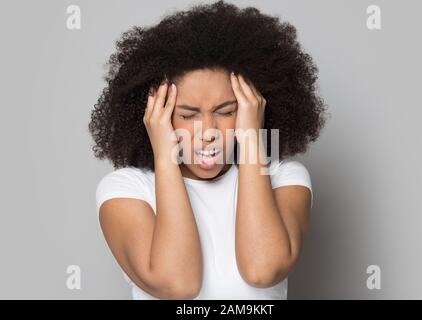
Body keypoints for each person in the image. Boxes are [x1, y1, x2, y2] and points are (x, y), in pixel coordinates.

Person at [89, 0, 326, 300]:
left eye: (226, 111)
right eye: (188, 115)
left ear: (251, 109)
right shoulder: (127, 189)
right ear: (156, 115)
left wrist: (253, 141)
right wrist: (165, 156)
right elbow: (178, 285)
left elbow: (262, 270)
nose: (208, 133)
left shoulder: (282, 179)